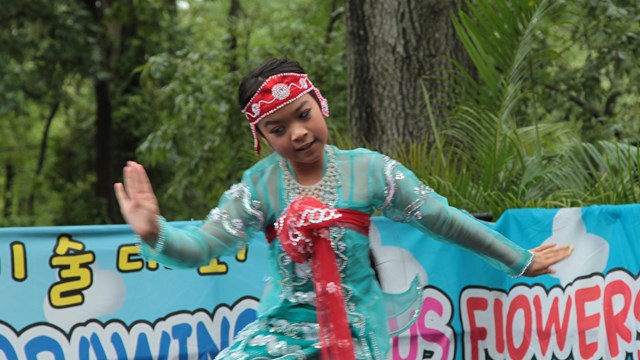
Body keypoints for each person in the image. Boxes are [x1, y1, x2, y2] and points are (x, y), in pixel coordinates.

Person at [114, 58, 572, 360]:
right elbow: (201, 245)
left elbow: (444, 220)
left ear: (321, 104)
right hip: (281, 334)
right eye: (277, 128)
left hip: (355, 334)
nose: (296, 133)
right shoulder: (260, 187)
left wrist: (521, 259)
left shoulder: (371, 173)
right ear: (262, 139)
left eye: (303, 114)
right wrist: (155, 232)